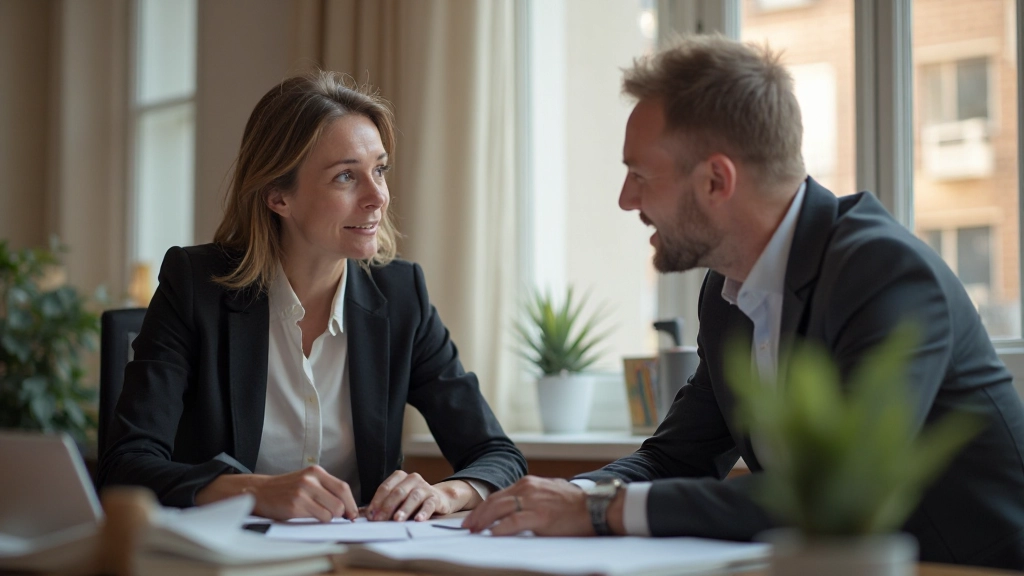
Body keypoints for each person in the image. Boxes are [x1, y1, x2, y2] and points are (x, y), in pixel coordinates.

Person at [464, 35, 1024, 570]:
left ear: (716, 180)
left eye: (639, 174)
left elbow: (838, 496)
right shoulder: (728, 292)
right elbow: (674, 459)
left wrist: (596, 511)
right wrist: (566, 494)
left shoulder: (883, 272)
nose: (625, 199)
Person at [99, 71, 526, 523]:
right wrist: (254, 492)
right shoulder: (195, 288)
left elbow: (497, 454)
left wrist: (450, 493)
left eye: (379, 169)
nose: (377, 196)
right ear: (277, 195)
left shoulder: (402, 297)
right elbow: (126, 468)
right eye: (346, 176)